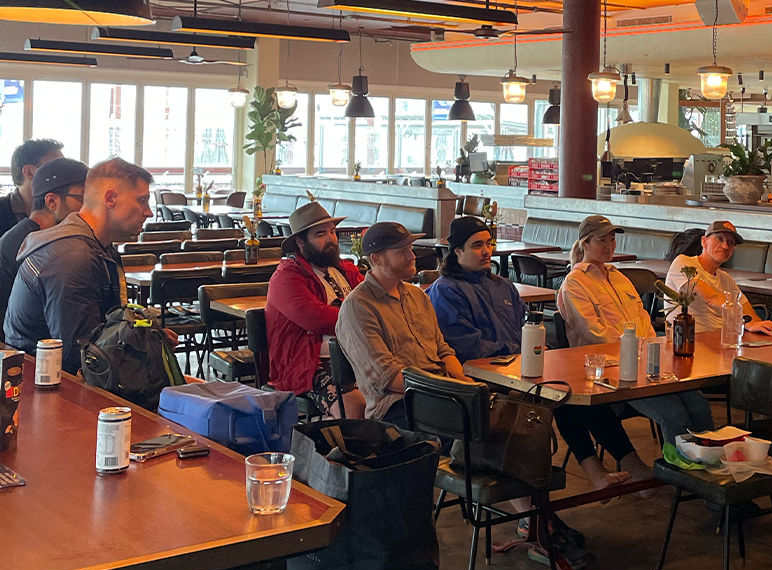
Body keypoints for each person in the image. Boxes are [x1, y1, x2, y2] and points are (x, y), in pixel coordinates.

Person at [428, 215, 654, 492]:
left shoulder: (503, 286)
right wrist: (520, 352)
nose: (486, 251)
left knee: (577, 393)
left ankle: (626, 467)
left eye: (488, 243)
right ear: (457, 251)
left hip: (519, 369)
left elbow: (525, 329)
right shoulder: (445, 291)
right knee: (559, 396)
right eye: (476, 246)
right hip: (479, 378)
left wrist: (536, 351)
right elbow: (467, 346)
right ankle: (599, 472)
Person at [558, 214, 714, 447]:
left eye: (612, 239)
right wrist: (639, 353)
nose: (609, 245)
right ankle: (680, 474)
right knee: (675, 415)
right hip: (609, 374)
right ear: (585, 244)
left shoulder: (619, 277)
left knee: (700, 405)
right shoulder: (574, 283)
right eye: (602, 240)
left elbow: (644, 319)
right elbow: (596, 334)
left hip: (646, 367)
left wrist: (649, 354)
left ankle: (708, 468)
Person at [5, 158, 153, 373]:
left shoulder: (98, 247)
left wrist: (145, 336)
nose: (148, 212)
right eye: (141, 200)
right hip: (45, 388)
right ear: (110, 198)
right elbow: (79, 356)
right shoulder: (73, 257)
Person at [336, 220, 466, 426]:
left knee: (508, 421)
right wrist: (447, 389)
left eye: (411, 249)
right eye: (401, 251)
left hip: (439, 393)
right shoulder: (358, 307)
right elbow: (387, 378)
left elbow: (443, 351)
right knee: (481, 435)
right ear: (376, 259)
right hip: (396, 406)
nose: (412, 256)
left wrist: (464, 385)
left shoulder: (417, 295)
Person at [266, 201, 365, 418]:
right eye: (320, 234)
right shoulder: (286, 277)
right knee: (356, 408)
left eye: (332, 232)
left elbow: (373, 303)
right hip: (311, 365)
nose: (330, 239)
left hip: (359, 355)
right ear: (301, 242)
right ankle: (348, 449)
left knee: (400, 394)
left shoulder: (347, 270)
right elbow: (316, 318)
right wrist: (367, 320)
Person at [0, 158, 87, 341]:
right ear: (52, 202)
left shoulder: (35, 237)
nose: (88, 208)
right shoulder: (28, 244)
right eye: (82, 197)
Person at [664, 219, 772, 337]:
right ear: (704, 241)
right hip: (690, 342)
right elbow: (711, 298)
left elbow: (749, 313)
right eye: (719, 238)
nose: (725, 246)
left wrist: (760, 325)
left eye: (730, 243)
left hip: (721, 341)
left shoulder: (725, 278)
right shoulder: (683, 263)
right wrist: (746, 322)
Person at [0, 139, 64, 238]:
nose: (63, 175)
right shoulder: (2, 210)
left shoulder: (63, 210)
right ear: (29, 172)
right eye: (55, 167)